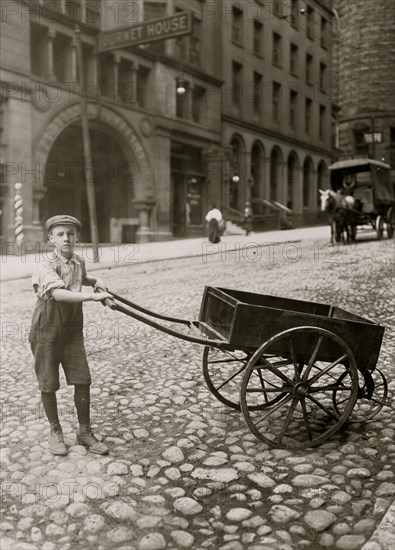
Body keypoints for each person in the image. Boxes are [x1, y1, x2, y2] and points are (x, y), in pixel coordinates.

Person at [29, 215, 112, 456]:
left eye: (71, 234)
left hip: (73, 326)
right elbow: (59, 293)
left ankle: (84, 431)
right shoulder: (44, 265)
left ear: (77, 237)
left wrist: (96, 280)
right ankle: (55, 431)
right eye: (61, 234)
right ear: (51, 239)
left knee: (82, 378)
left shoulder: (77, 261)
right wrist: (92, 296)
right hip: (48, 325)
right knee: (48, 380)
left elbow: (80, 278)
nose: (67, 238)